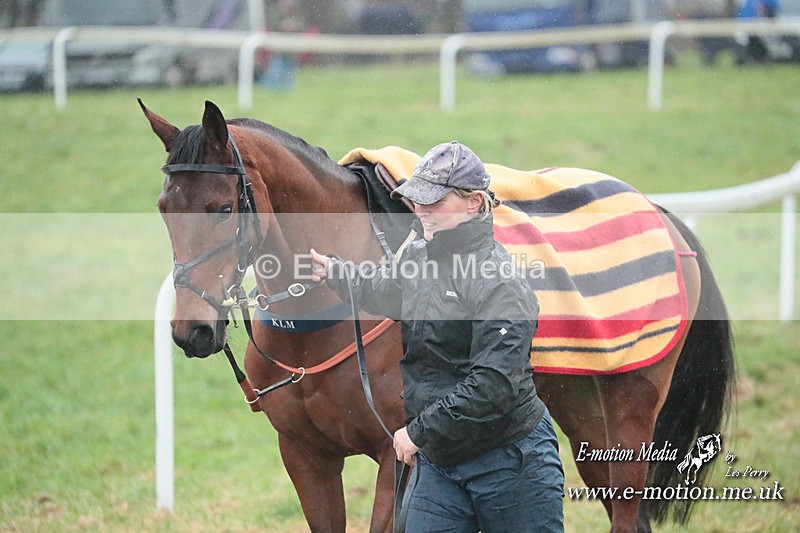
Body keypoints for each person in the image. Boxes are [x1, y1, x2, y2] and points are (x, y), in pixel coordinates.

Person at [310, 141, 564, 532]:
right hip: (439, 464)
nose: (420, 210)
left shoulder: (501, 284)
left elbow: (493, 385)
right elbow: (387, 290)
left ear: (474, 203)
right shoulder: (417, 258)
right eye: (417, 199)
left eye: (434, 201)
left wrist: (417, 432)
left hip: (512, 462)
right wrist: (335, 272)